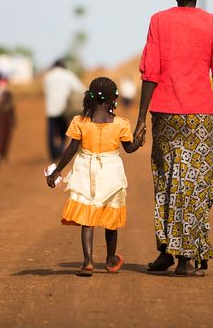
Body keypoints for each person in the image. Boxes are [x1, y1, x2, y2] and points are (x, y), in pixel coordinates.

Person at [134, 0, 213, 277]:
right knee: (193, 184)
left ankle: (168, 249)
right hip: (201, 116)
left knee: (167, 181)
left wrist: (140, 119)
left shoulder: (159, 21)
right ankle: (185, 256)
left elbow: (150, 73)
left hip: (165, 114)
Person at [46, 77, 145, 276]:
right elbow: (129, 148)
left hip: (85, 171)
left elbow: (72, 149)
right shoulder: (120, 124)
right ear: (114, 99)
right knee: (111, 221)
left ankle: (88, 262)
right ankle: (110, 260)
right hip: (111, 174)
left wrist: (58, 170)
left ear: (90, 98)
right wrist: (140, 139)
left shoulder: (79, 121)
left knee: (87, 220)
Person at [42, 59, 84, 161]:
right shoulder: (67, 75)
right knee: (63, 131)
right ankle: (60, 151)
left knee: (51, 132)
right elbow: (80, 88)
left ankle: (53, 154)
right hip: (64, 108)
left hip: (50, 109)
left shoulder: (47, 76)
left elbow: (45, 90)